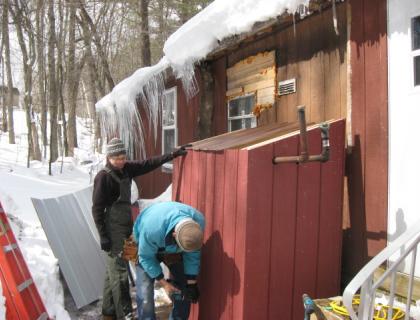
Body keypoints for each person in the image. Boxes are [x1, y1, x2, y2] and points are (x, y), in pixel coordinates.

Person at [92, 138, 187, 320]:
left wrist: (171, 155)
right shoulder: (103, 177)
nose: (120, 161)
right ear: (108, 157)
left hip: (128, 227)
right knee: (120, 273)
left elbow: (147, 164)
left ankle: (108, 311)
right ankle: (125, 314)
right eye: (116, 158)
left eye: (123, 156)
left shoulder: (127, 168)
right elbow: (96, 209)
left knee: (113, 270)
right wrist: (103, 236)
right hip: (113, 231)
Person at [132, 201, 205, 320]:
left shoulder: (198, 221)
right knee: (145, 291)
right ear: (175, 235)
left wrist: (191, 283)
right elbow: (145, 257)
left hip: (170, 245)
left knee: (184, 286)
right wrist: (164, 283)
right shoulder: (152, 229)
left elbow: (193, 252)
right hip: (144, 243)